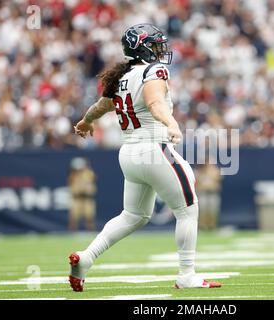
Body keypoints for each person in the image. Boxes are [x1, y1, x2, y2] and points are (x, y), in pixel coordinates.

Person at [69, 23, 221, 291]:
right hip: (154, 148)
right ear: (142, 48)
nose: (160, 50)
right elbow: (154, 103)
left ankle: (86, 257)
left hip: (129, 153)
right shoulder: (154, 71)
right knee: (188, 209)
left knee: (133, 216)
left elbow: (102, 105)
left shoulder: (122, 76)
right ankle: (187, 275)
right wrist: (171, 123)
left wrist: (85, 120)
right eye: (155, 45)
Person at [68, 157, 97, 232]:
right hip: (77, 198)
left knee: (89, 217)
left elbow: (90, 183)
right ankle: (72, 233)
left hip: (87, 198)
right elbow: (71, 185)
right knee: (74, 217)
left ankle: (91, 232)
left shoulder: (88, 173)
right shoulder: (73, 175)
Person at [195, 161, 222, 230]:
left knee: (213, 210)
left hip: (212, 193)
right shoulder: (199, 172)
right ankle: (202, 227)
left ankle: (212, 226)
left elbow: (218, 181)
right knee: (202, 210)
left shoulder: (215, 171)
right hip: (202, 193)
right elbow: (196, 183)